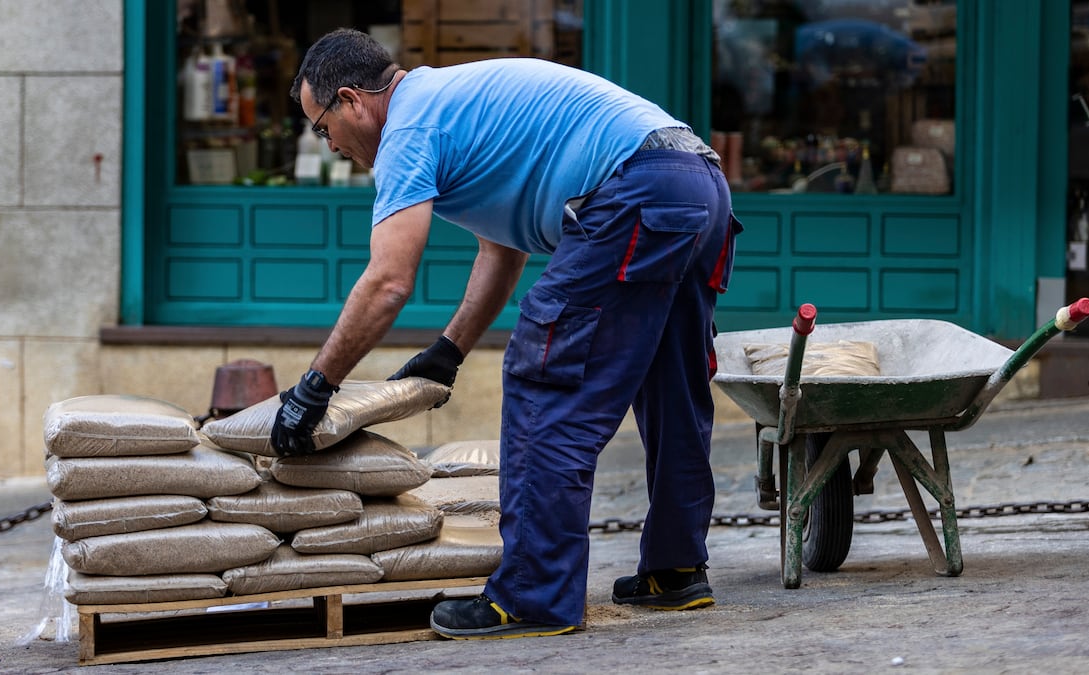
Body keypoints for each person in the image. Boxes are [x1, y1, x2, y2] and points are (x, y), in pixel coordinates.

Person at [274, 28, 742, 640]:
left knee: (543, 382)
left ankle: (532, 597)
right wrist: (448, 352)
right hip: (695, 181)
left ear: (352, 100)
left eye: (322, 126)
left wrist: (315, 387)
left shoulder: (408, 131)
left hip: (634, 189)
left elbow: (389, 281)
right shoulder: (454, 105)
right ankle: (676, 570)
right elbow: (504, 249)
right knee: (671, 385)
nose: (331, 145)